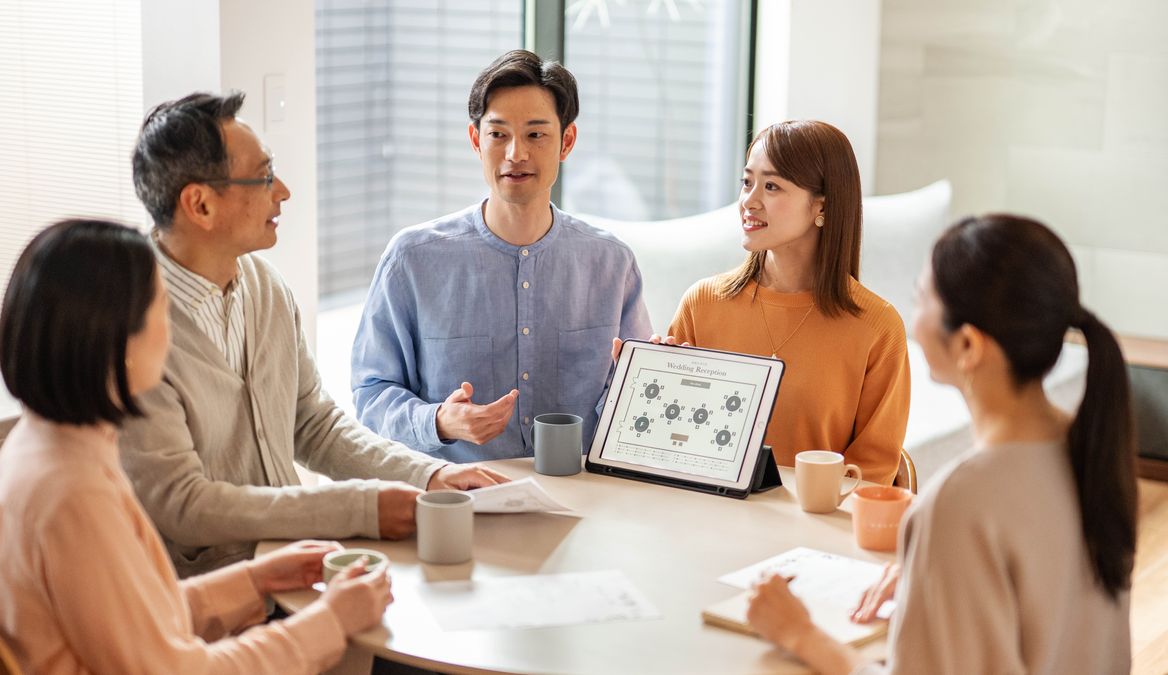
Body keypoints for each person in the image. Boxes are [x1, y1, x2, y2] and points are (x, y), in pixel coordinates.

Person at [0, 219, 393, 673]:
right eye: (162, 304)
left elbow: (134, 617)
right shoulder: (74, 492)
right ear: (119, 340)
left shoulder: (41, 444)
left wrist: (256, 579)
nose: (173, 324)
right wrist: (329, 621)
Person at [121, 92, 507, 579]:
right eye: (263, 177)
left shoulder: (265, 288)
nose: (282, 190)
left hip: (294, 568)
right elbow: (183, 504)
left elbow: (315, 425)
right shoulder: (132, 326)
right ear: (199, 204)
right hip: (201, 602)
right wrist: (360, 508)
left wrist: (429, 475)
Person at [748, 214, 1137, 673]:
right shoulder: (1092, 451)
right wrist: (935, 576)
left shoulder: (961, 502)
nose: (911, 317)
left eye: (921, 299)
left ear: (969, 346)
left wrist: (800, 634)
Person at [351, 49, 652, 463]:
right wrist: (438, 421)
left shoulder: (611, 264)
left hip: (587, 497)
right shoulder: (412, 260)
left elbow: (636, 412)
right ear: (476, 141)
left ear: (566, 141)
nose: (515, 154)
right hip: (459, 499)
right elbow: (371, 394)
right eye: (498, 134)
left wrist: (646, 382)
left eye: (535, 134)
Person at [661, 120, 909, 484]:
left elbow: (870, 474)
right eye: (747, 182)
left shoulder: (877, 328)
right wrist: (649, 379)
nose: (749, 201)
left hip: (815, 530)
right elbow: (673, 440)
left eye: (772, 186)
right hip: (708, 520)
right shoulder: (703, 304)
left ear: (821, 207)